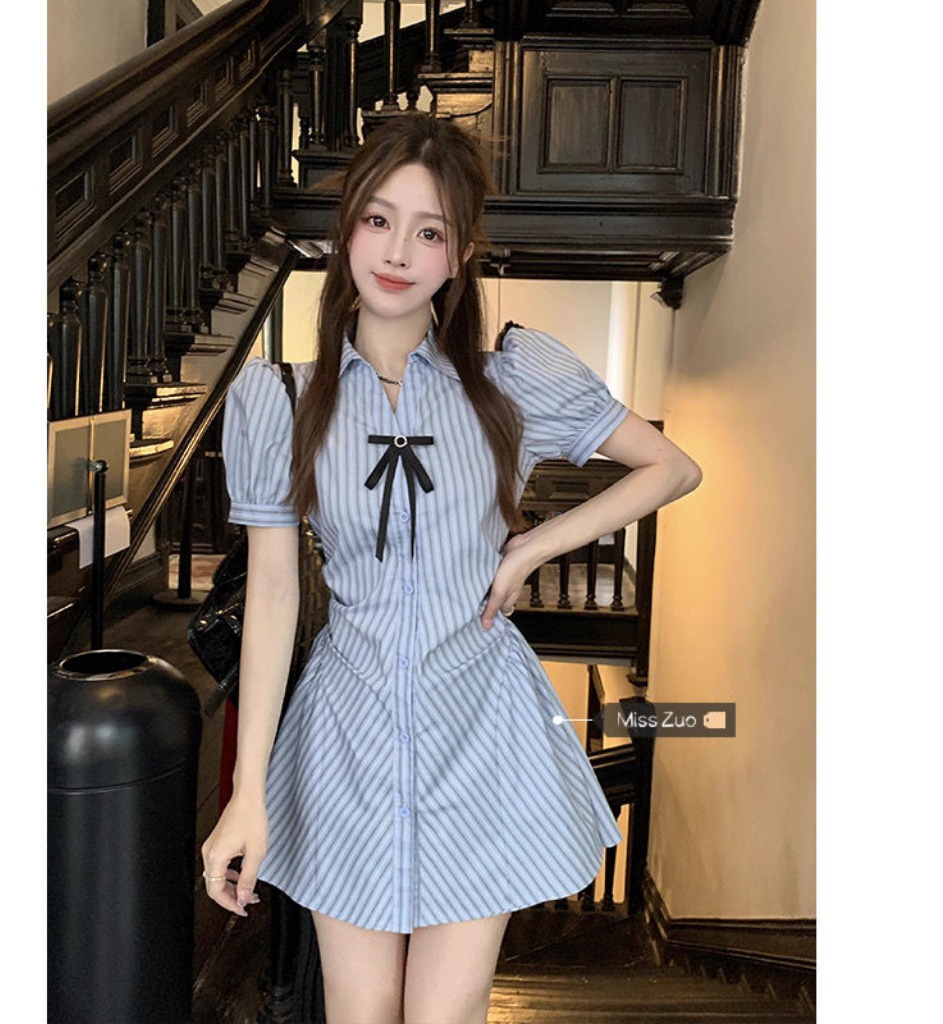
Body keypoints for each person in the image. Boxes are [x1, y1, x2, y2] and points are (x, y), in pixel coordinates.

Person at [201, 111, 702, 1024]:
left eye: (429, 232)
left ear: (459, 253)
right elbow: (273, 593)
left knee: (446, 1011)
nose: (398, 252)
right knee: (360, 1009)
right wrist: (247, 794)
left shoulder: (511, 382)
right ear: (347, 228)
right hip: (345, 741)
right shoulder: (280, 400)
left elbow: (671, 467)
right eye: (378, 220)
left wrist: (534, 545)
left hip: (483, 734)